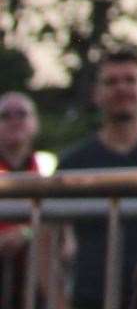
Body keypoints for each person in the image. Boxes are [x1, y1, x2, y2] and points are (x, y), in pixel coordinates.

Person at [60, 52, 137, 309]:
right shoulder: (73, 161)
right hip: (90, 297)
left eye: (130, 80)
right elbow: (46, 239)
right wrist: (56, 298)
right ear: (96, 93)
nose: (121, 88)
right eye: (111, 82)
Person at [0, 92, 58, 309]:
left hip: (38, 287)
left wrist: (26, 233)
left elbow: (62, 227)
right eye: (5, 115)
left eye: (22, 114)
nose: (15, 120)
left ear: (35, 123)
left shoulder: (50, 167)